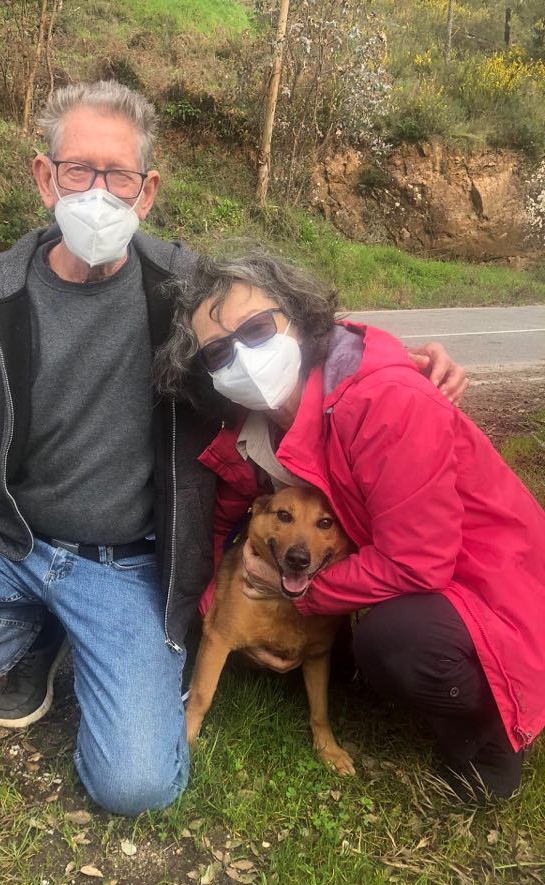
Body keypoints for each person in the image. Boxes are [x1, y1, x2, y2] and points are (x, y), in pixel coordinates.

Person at [0, 81, 465, 816]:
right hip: (7, 545)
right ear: (44, 178)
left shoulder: (182, 288)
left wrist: (388, 356)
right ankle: (31, 625)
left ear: (148, 191)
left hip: (123, 566)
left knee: (137, 785)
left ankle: (70, 628)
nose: (98, 193)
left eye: (119, 175)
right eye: (78, 170)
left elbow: (278, 319)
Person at [155, 252, 545, 800]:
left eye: (257, 329)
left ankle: (490, 737)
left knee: (396, 641)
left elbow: (420, 562)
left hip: (493, 578)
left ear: (298, 318)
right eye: (219, 351)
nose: (243, 357)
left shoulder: (385, 401)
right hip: (414, 566)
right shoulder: (257, 428)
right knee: (372, 641)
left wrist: (300, 596)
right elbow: (222, 521)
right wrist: (217, 614)